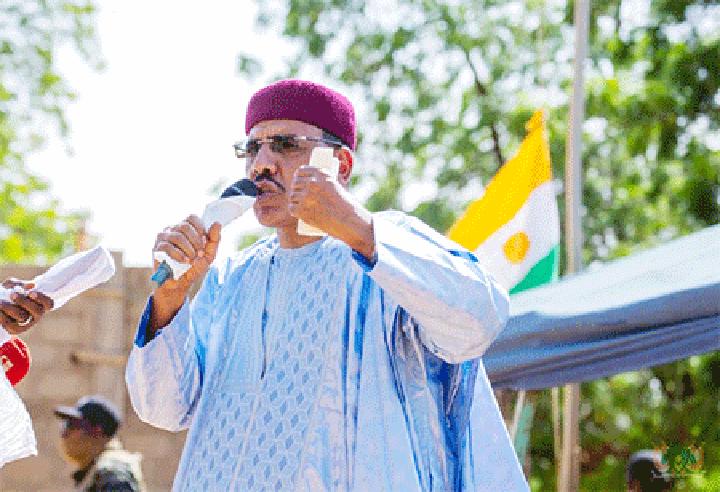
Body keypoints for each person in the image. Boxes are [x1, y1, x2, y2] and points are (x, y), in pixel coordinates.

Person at [126, 79, 528, 490]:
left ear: (341, 165)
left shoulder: (388, 253)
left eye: (285, 145)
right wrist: (169, 300)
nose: (261, 165)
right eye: (252, 148)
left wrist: (358, 229)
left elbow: (480, 320)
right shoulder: (230, 278)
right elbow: (164, 408)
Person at [54, 395, 145, 491]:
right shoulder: (98, 471)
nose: (64, 434)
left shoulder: (113, 471)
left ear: (97, 431)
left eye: (72, 425)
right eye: (65, 425)